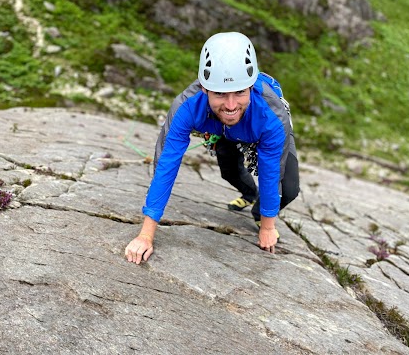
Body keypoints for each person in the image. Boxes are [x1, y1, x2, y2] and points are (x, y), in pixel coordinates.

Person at [125, 32, 299, 264]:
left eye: (240, 92)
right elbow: (166, 163)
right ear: (205, 89)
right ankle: (249, 194)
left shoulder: (271, 114)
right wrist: (145, 235)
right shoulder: (187, 106)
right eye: (219, 93)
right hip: (219, 129)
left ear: (251, 86)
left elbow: (271, 171)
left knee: (288, 189)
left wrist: (267, 225)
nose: (230, 105)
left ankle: (258, 211)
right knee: (229, 171)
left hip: (257, 130)